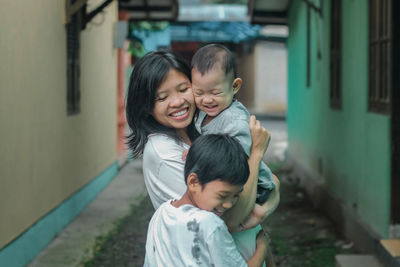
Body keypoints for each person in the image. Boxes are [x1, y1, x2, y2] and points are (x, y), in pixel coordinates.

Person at [126, 50, 270, 264]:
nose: (176, 102)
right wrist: (256, 155)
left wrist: (267, 204)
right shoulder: (164, 153)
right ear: (146, 107)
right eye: (162, 98)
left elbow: (262, 183)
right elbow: (228, 217)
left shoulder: (201, 126)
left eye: (184, 89)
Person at [191, 44, 280, 232]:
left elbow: (237, 162)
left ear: (235, 86)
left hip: (255, 185)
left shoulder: (235, 123)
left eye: (215, 93)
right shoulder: (204, 112)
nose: (206, 100)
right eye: (199, 93)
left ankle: (253, 214)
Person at [144, 134, 268, 267]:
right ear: (193, 182)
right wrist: (262, 246)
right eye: (222, 195)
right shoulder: (211, 224)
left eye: (235, 196)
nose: (228, 204)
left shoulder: (161, 213)